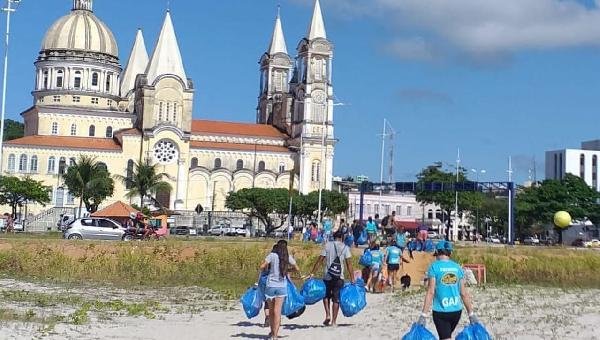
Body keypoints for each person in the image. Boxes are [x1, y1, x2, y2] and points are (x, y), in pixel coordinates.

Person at [418, 240, 478, 340]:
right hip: (456, 311)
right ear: (450, 253)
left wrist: (423, 315)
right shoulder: (457, 267)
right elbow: (463, 293)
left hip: (441, 312)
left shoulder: (434, 267)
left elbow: (431, 292)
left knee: (446, 337)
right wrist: (471, 314)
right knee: (446, 336)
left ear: (437, 252)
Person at [309, 229, 354, 327]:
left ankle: (328, 314)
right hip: (339, 276)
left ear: (334, 237)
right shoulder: (345, 248)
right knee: (336, 299)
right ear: (342, 238)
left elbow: (320, 260)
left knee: (326, 296)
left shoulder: (327, 245)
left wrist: (312, 273)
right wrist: (352, 278)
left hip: (327, 275)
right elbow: (349, 264)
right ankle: (334, 321)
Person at [259, 240, 300, 340]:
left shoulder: (272, 255)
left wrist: (268, 271)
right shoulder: (287, 257)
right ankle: (275, 335)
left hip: (271, 285)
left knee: (271, 310)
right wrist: (288, 270)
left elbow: (262, 266)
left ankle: (272, 332)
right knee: (278, 311)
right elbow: (297, 268)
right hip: (282, 286)